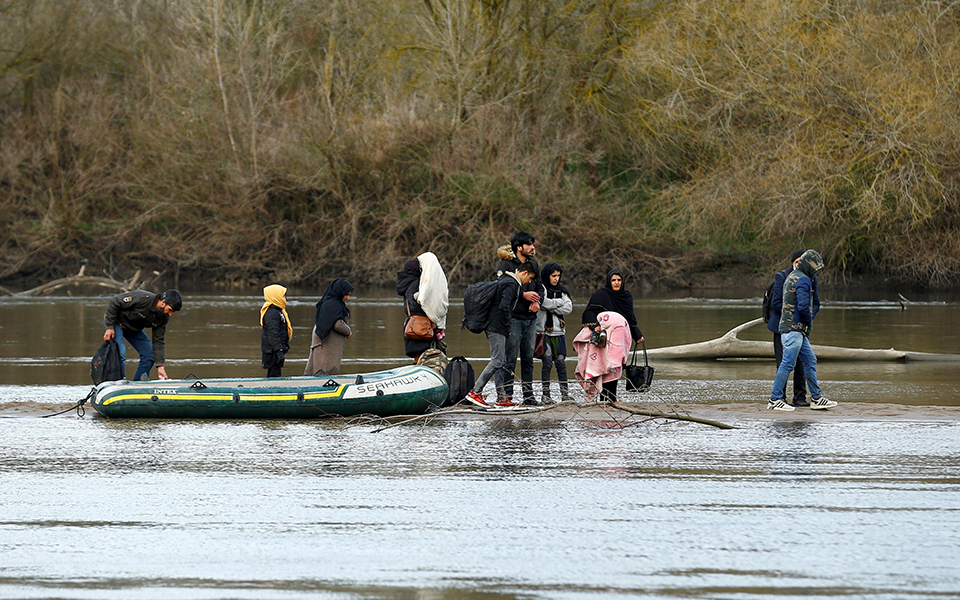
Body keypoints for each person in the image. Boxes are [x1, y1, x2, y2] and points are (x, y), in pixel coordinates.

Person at [768, 250, 837, 411]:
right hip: (795, 330)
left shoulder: (793, 277)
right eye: (814, 267)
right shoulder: (804, 280)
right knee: (787, 364)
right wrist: (808, 323)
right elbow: (803, 306)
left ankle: (817, 397)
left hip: (792, 329)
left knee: (810, 360)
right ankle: (775, 399)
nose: (816, 270)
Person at [466, 262, 537, 408]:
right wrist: (508, 324)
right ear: (524, 273)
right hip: (496, 327)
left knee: (501, 361)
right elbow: (504, 307)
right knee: (497, 361)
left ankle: (502, 398)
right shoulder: (511, 284)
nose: (529, 282)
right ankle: (475, 392)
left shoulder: (507, 280)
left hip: (497, 326)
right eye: (530, 278)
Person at [576, 269, 643, 402]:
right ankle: (605, 397)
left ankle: (611, 398)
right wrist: (595, 325)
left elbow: (630, 318)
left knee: (617, 366)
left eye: (619, 280)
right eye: (613, 280)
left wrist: (638, 335)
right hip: (604, 338)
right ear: (609, 281)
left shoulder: (626, 297)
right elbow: (588, 312)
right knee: (606, 366)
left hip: (620, 337)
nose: (617, 283)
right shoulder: (600, 295)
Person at [495, 231, 541, 405]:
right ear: (519, 247)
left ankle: (529, 396)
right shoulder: (505, 265)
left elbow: (541, 288)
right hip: (513, 319)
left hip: (531, 319)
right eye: (529, 244)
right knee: (510, 359)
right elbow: (500, 288)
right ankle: (507, 396)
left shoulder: (533, 264)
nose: (532, 247)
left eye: (533, 243)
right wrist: (523, 295)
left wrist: (538, 303)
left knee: (529, 358)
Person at [103, 289, 182, 381]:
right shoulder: (142, 298)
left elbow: (158, 341)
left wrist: (160, 366)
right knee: (120, 353)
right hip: (116, 322)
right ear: (163, 302)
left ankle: (138, 384)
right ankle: (118, 382)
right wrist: (109, 327)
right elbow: (115, 302)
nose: (170, 314)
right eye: (170, 310)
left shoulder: (163, 318)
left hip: (133, 328)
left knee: (149, 355)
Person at [396, 252, 448, 362]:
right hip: (422, 325)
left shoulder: (406, 283)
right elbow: (417, 303)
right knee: (424, 355)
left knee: (418, 356)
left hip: (413, 324)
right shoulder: (417, 284)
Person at [536, 262, 573, 404]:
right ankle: (546, 395)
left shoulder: (562, 291)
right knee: (547, 362)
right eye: (553, 276)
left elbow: (568, 308)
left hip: (559, 332)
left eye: (558, 276)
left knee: (560, 363)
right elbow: (542, 302)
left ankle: (565, 394)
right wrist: (558, 303)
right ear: (547, 275)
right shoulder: (541, 289)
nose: (556, 278)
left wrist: (551, 305)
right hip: (543, 332)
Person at [305, 278, 353, 376]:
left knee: (314, 370)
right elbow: (337, 324)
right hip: (325, 343)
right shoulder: (333, 305)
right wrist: (348, 331)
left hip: (320, 342)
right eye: (346, 294)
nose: (348, 298)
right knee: (323, 372)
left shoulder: (328, 302)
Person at [260, 284, 292, 378]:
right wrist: (279, 350)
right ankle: (272, 390)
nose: (285, 298)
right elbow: (273, 334)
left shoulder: (279, 311)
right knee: (274, 374)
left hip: (276, 350)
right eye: (283, 296)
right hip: (272, 351)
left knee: (275, 373)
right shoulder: (272, 313)